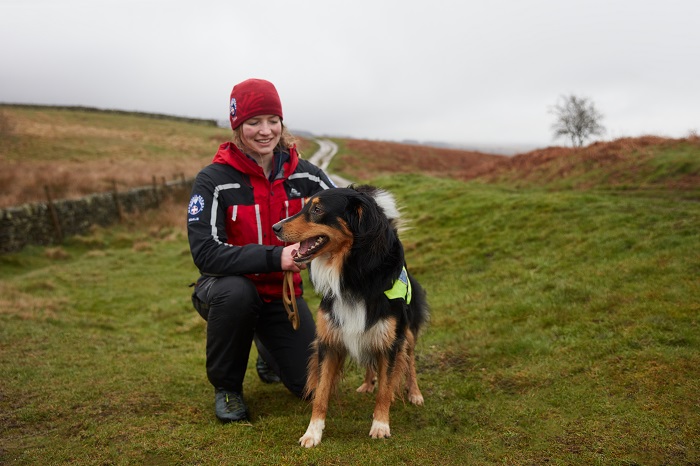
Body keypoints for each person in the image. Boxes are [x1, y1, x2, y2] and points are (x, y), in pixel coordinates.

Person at [187, 78, 335, 423]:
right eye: (254, 122)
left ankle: (268, 349)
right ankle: (227, 388)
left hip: (282, 296)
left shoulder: (307, 177)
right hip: (226, 290)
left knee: (308, 387)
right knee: (237, 294)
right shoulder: (212, 180)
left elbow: (347, 216)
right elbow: (205, 253)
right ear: (238, 127)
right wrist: (275, 257)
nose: (265, 130)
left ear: (282, 124)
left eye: (272, 120)